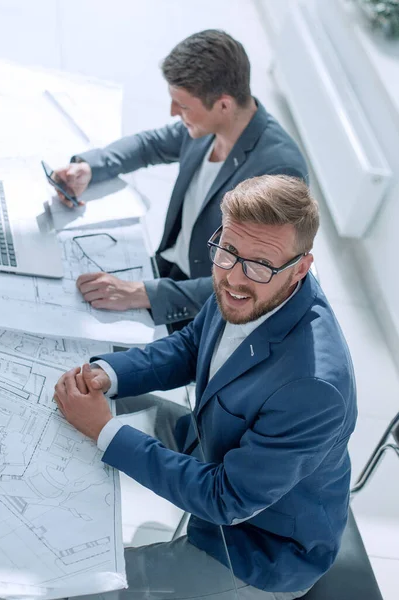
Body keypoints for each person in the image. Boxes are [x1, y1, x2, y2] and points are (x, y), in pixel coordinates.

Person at [53, 175, 357, 600]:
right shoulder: (248, 276)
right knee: (98, 409)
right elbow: (193, 346)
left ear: (301, 268)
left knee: (82, 584)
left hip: (259, 547)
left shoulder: (315, 388)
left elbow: (225, 499)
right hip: (215, 442)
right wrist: (110, 372)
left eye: (258, 264)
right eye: (227, 252)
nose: (234, 278)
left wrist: (105, 432)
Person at [54, 30, 308, 329]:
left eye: (183, 106)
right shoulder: (208, 128)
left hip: (205, 309)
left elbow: (252, 282)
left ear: (224, 105)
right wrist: (90, 168)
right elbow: (149, 145)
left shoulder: (280, 171)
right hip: (168, 267)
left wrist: (144, 294)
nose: (174, 112)